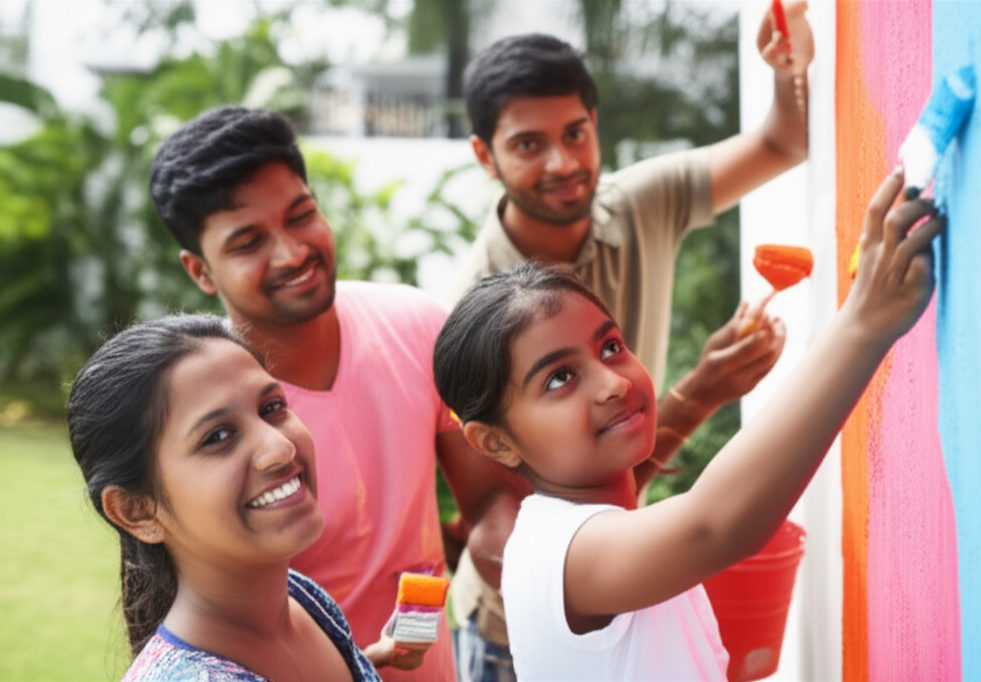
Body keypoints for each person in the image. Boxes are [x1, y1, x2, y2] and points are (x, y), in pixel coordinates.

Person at [434, 167, 944, 681]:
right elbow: (713, 526)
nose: (612, 382)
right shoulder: (558, 552)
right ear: (495, 442)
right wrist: (863, 323)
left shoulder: (601, 527)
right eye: (559, 378)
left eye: (610, 346)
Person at [447, 4, 813, 677]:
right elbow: (504, 530)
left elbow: (783, 143)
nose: (562, 162)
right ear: (484, 155)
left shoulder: (641, 201)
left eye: (576, 133)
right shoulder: (472, 319)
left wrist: (788, 68)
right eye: (528, 144)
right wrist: (698, 394)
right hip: (521, 630)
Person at [147, 106, 521, 681]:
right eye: (248, 242)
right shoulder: (201, 417)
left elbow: (492, 495)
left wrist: (523, 558)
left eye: (301, 216)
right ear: (200, 270)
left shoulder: (418, 326)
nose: (292, 252)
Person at [66, 314, 383, 681]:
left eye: (271, 408)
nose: (280, 447)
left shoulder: (301, 599)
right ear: (137, 511)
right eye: (217, 437)